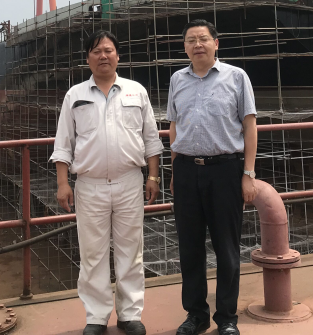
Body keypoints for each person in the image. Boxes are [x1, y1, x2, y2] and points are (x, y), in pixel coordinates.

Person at [50, 29, 163, 335]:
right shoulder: (75, 95)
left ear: (118, 56)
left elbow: (151, 139)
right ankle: (97, 317)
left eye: (108, 50)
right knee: (92, 254)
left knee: (131, 251)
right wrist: (63, 183)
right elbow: (63, 143)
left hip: (129, 183)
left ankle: (130, 314)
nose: (103, 56)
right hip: (90, 185)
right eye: (97, 51)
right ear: (88, 59)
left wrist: (153, 177)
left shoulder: (136, 92)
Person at [167, 19, 257, 335]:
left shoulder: (236, 77)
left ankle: (227, 318)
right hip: (186, 170)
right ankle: (196, 315)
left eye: (203, 38)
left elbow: (249, 125)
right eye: (191, 40)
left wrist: (248, 173)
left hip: (225, 170)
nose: (198, 45)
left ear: (216, 43)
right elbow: (174, 125)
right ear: (185, 47)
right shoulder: (177, 79)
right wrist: (175, 169)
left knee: (227, 248)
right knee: (190, 248)